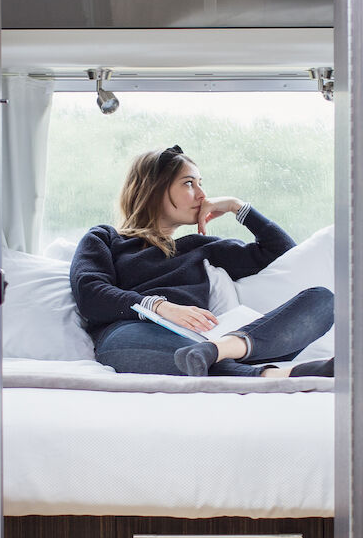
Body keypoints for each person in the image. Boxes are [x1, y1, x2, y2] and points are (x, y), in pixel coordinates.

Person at [70, 144, 335, 378]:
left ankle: (221, 353)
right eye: (189, 183)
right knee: (177, 353)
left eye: (200, 183)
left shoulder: (200, 247)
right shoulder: (106, 238)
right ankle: (264, 374)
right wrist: (160, 307)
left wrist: (237, 207)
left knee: (324, 300)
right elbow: (91, 293)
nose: (202, 195)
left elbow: (282, 253)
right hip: (135, 333)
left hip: (213, 342)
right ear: (153, 188)